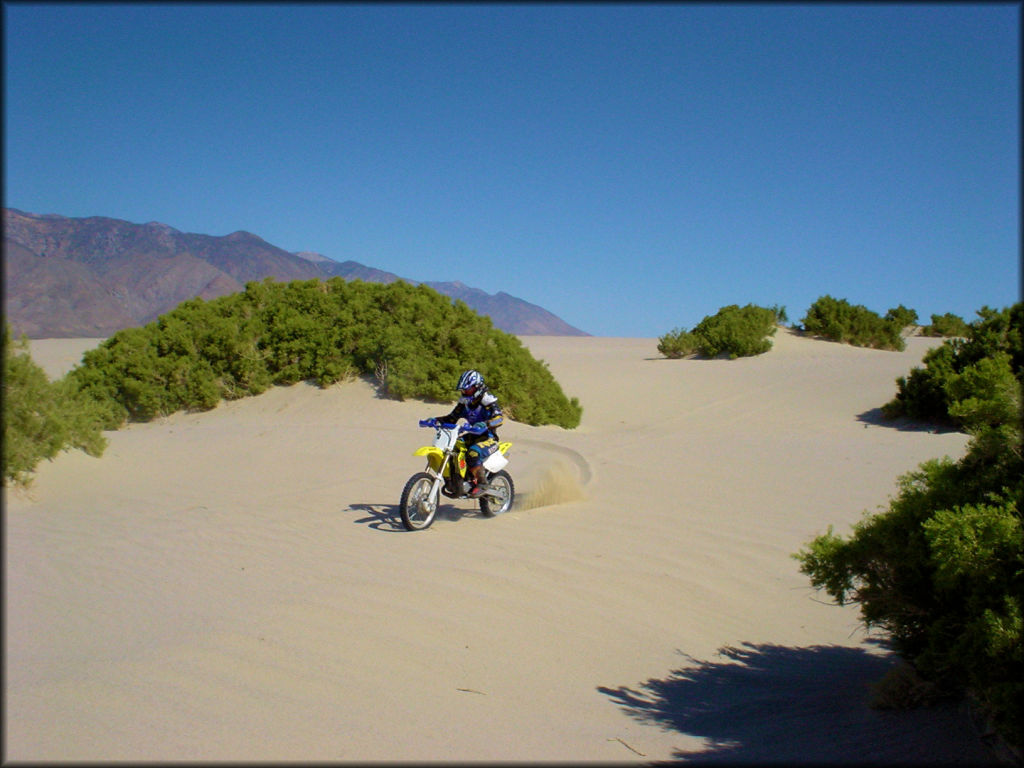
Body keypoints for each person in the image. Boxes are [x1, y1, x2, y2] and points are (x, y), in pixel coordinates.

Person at [431, 369, 504, 498]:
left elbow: (499, 418)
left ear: (477, 388)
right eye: (463, 390)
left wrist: (486, 424)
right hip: (471, 435)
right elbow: (452, 418)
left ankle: (482, 483)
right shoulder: (465, 403)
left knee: (473, 453)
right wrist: (435, 420)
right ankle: (456, 480)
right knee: (452, 449)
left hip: (488, 438)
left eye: (468, 390)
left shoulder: (487, 401)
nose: (464, 393)